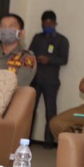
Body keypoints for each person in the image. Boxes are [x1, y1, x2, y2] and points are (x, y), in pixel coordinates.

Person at [29, 10, 70, 148]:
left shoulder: (62, 40)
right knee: (29, 111)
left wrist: (49, 59)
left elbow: (64, 59)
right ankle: (26, 139)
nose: (47, 26)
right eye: (44, 24)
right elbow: (29, 55)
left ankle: (48, 142)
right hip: (35, 79)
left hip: (51, 81)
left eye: (50, 24)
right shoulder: (37, 38)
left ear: (55, 23)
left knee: (50, 112)